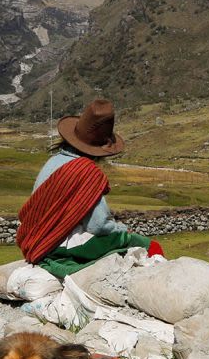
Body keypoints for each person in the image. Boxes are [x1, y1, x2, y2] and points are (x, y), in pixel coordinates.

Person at [16, 98, 162, 278]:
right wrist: (123, 230)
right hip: (58, 246)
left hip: (33, 240)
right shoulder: (87, 172)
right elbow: (98, 225)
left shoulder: (53, 161)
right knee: (150, 246)